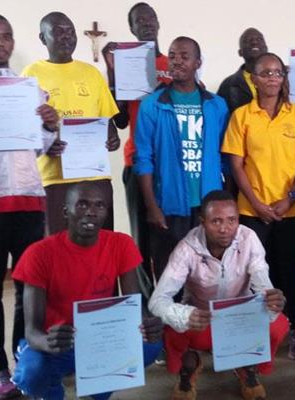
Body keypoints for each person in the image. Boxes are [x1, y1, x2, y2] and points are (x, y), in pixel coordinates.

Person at [0, 13, 59, 398]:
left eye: (6, 37)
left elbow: (40, 146)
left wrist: (52, 126)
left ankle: (23, 356)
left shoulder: (29, 87)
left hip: (29, 196)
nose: (0, 43)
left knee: (27, 286)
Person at [11, 182, 163, 400]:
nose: (91, 212)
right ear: (66, 211)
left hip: (99, 339)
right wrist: (48, 342)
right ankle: (51, 390)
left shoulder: (121, 245)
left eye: (99, 206)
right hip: (57, 342)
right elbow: (32, 331)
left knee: (152, 345)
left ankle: (99, 386)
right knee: (32, 372)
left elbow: (133, 310)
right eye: (82, 205)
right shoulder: (39, 254)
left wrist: (148, 325)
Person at [222, 52, 295, 361]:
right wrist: (256, 203)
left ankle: (292, 330)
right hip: (252, 210)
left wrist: (289, 197)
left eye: (278, 73)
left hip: (290, 208)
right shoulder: (242, 116)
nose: (273, 78)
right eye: (266, 73)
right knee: (252, 272)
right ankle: (255, 331)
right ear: (253, 78)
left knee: (288, 269)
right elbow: (236, 166)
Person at [149, 190, 289, 400]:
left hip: (240, 320)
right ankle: (189, 367)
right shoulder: (186, 248)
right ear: (202, 222)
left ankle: (247, 367)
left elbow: (262, 280)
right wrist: (186, 315)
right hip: (203, 319)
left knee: (279, 325)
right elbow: (157, 301)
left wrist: (272, 299)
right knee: (172, 328)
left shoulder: (248, 238)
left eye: (231, 220)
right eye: (216, 221)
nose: (225, 229)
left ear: (238, 219)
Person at [134, 36, 229, 283]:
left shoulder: (216, 105)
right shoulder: (153, 105)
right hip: (170, 202)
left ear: (198, 62)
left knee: (207, 273)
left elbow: (225, 157)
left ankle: (203, 320)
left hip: (207, 203)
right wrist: (152, 207)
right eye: (173, 56)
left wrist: (226, 200)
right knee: (170, 271)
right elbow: (143, 159)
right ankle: (169, 321)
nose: (177, 62)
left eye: (184, 56)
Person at [22, 11, 120, 234]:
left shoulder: (91, 73)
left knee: (100, 244)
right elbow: (24, 128)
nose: (66, 37)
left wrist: (112, 137)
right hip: (55, 178)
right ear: (42, 38)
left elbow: (107, 120)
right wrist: (45, 143)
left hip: (95, 175)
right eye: (58, 31)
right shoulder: (31, 74)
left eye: (70, 31)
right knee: (58, 247)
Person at [102, 2, 171, 295]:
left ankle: (169, 299)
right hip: (137, 162)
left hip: (171, 165)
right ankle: (145, 303)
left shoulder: (174, 63)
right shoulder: (124, 65)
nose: (147, 23)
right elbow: (118, 120)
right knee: (141, 238)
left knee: (169, 236)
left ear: (158, 23)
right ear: (132, 28)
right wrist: (114, 76)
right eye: (139, 21)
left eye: (151, 18)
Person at [217, 27, 268, 113]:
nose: (254, 42)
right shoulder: (228, 85)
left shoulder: (281, 80)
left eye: (259, 39)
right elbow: (220, 118)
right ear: (240, 52)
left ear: (266, 49)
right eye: (247, 40)